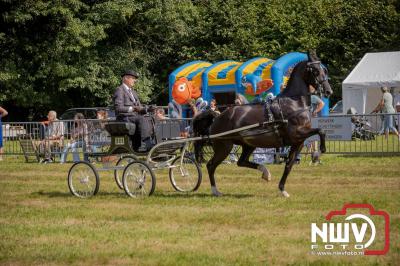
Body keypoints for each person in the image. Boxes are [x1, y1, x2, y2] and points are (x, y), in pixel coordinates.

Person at [113, 70, 152, 152]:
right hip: (124, 118)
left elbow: (140, 108)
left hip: (134, 118)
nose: (135, 81)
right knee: (141, 119)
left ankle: (151, 143)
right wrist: (133, 108)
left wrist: (146, 109)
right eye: (133, 78)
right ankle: (147, 143)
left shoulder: (133, 92)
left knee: (151, 118)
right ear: (126, 78)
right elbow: (118, 108)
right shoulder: (119, 90)